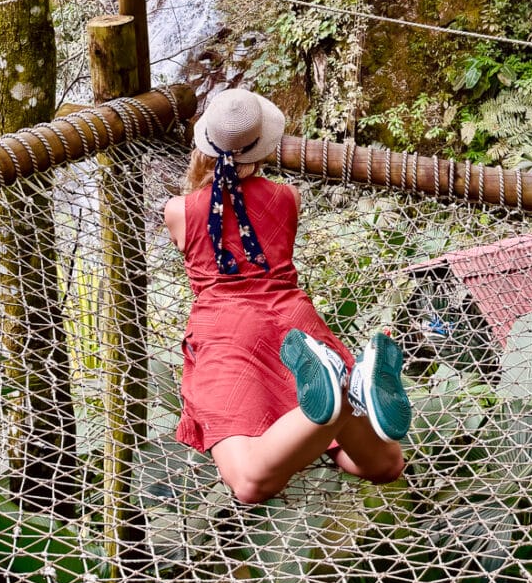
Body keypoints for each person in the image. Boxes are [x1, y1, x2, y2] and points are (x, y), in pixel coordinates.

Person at [163, 87, 411, 505]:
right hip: (295, 323)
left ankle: (331, 395)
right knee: (381, 465)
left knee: (250, 483)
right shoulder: (288, 197)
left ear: (204, 143)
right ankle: (347, 392)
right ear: (263, 145)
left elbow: (212, 229)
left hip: (229, 330)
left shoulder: (179, 211)